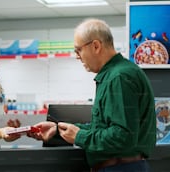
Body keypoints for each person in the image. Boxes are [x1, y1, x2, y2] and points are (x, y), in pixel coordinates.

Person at [28, 18, 156, 172]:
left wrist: (80, 136)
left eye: (78, 50)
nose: (77, 56)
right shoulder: (116, 74)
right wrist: (57, 130)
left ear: (96, 46)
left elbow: (122, 136)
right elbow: (103, 128)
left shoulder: (118, 78)